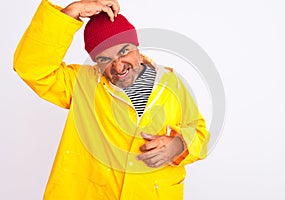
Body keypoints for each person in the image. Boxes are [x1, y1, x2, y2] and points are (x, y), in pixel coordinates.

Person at [13, 0, 210, 199]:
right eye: (104, 59)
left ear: (137, 48)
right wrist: (71, 12)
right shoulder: (80, 83)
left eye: (124, 51)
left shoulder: (172, 84)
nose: (118, 67)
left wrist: (179, 145)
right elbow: (31, 68)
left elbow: (200, 134)